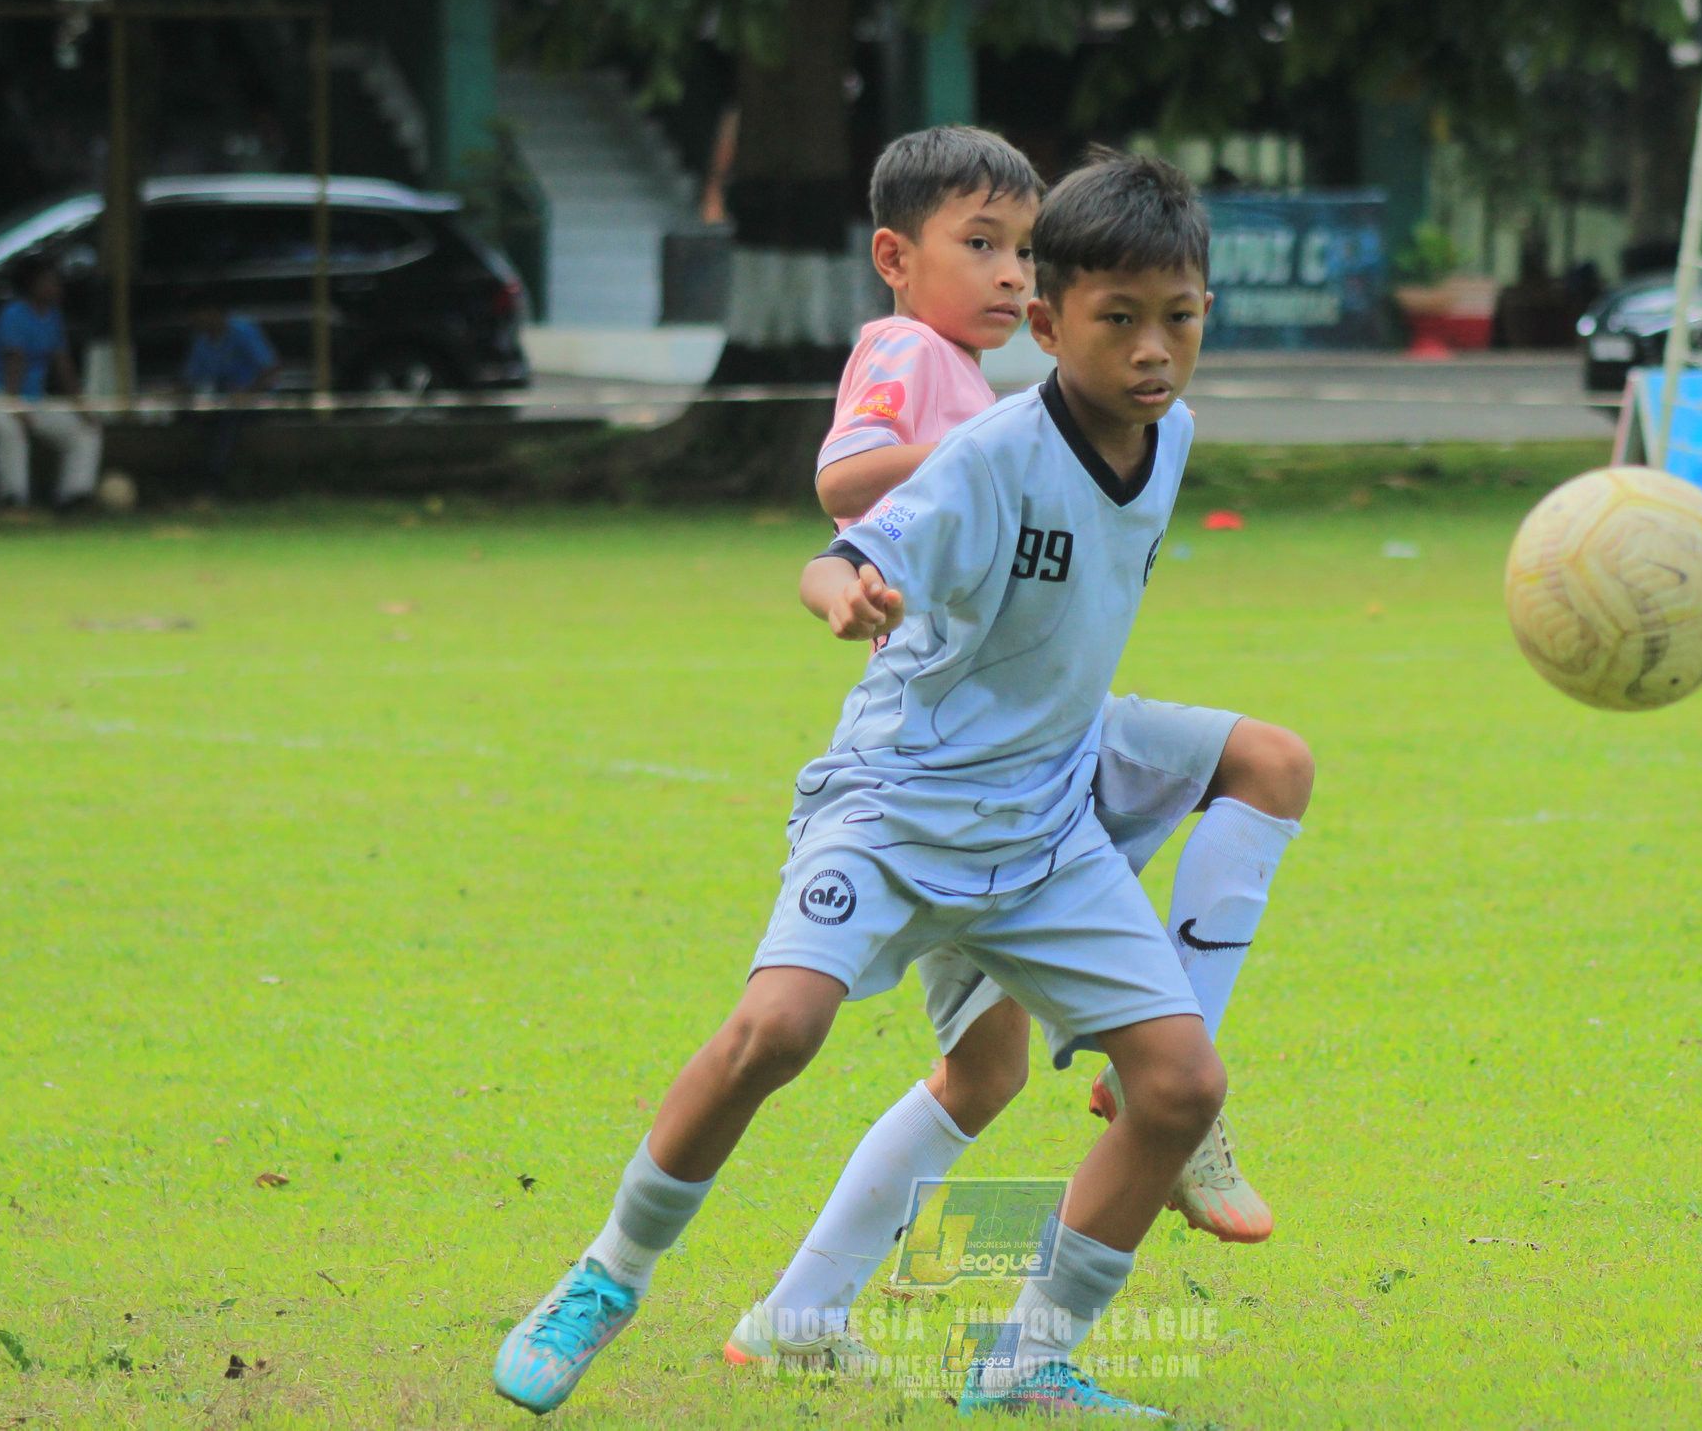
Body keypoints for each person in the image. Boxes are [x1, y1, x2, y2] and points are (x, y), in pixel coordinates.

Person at [494, 153, 1239, 1419]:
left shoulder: (1169, 443)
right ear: (1051, 326)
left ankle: (1022, 1362)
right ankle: (605, 1279)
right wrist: (848, 594)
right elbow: (836, 552)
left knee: (1180, 1087)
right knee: (774, 1031)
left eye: (1179, 315)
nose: (1154, 349)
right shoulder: (992, 453)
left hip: (1042, 828)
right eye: (1119, 319)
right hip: (897, 805)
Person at [724, 128, 1313, 1376]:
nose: (1004, 272)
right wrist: (995, 466)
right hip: (962, 758)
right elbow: (844, 484)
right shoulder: (910, 354)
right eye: (979, 245)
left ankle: (800, 1314)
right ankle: (1163, 1109)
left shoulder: (1093, 401)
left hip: (1034, 737)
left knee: (982, 1072)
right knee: (1265, 764)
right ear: (898, 258)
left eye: (1019, 247)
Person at [0, 259, 101, 509]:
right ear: (32, 285)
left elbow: (64, 365)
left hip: (32, 400)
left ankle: (74, 497)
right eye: (50, 281)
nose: (57, 286)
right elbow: (13, 363)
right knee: (11, 430)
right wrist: (15, 407)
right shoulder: (14, 315)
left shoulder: (53, 317)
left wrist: (82, 406)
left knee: (85, 431)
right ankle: (14, 499)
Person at [182, 298, 279, 490]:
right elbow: (191, 379)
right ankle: (187, 481)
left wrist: (246, 393)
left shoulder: (243, 331)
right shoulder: (202, 341)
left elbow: (271, 369)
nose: (196, 320)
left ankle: (215, 483)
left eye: (200, 314)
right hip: (222, 401)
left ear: (213, 312)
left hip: (256, 399)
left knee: (228, 420)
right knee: (193, 417)